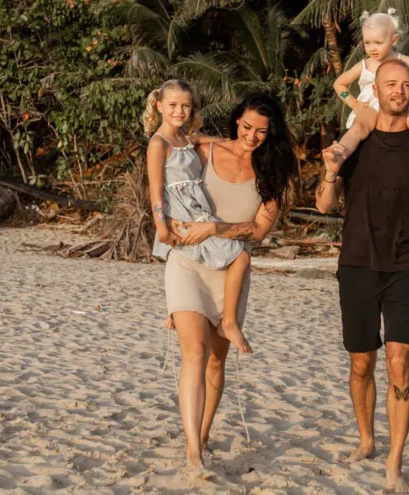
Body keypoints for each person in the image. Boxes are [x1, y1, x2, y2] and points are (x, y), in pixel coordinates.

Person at [315, 59, 409, 494]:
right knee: (361, 363)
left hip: (405, 264)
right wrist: (330, 172)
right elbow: (323, 205)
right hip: (356, 262)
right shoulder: (356, 139)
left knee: (399, 363)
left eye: (406, 84)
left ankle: (394, 462)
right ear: (376, 87)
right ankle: (366, 438)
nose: (399, 89)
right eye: (391, 83)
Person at [150, 90, 298, 474]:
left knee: (216, 361)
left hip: (231, 267)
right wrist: (165, 225)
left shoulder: (273, 172)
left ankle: (201, 434)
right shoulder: (205, 152)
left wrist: (216, 227)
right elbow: (170, 174)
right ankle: (192, 450)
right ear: (236, 121)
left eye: (261, 132)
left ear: (271, 133)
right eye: (246, 127)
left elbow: (260, 230)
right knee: (194, 353)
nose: (251, 136)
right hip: (187, 262)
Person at [146, 79, 252, 355]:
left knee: (212, 262)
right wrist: (162, 228)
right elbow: (155, 190)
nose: (179, 111)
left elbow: (210, 141)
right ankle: (227, 322)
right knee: (239, 256)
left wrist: (237, 144)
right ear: (159, 106)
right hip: (183, 215)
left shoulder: (185, 139)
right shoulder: (159, 143)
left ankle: (180, 315)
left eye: (186, 106)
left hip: (199, 210)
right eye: (172, 105)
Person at [332, 9, 409, 174]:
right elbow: (339, 84)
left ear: (393, 40)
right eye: (367, 43)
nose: (372, 48)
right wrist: (355, 104)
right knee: (358, 126)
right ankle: (338, 153)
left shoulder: (403, 61)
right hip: (370, 108)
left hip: (399, 106)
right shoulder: (365, 65)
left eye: (378, 43)